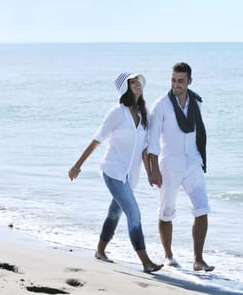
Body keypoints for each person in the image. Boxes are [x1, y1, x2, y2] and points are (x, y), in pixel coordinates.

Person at [68, 72, 163, 273]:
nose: (138, 84)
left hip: (130, 177)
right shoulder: (117, 113)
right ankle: (145, 261)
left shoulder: (143, 112)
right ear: (125, 88)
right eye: (133, 82)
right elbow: (97, 140)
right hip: (113, 172)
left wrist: (150, 173)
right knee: (133, 213)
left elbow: (144, 149)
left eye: (139, 82)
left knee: (114, 213)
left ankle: (100, 251)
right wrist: (77, 165)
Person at [148, 62, 214, 272]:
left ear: (189, 81)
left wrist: (200, 159)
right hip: (170, 165)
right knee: (166, 212)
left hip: (193, 163)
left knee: (202, 209)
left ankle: (198, 259)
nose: (176, 84)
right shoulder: (162, 105)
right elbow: (152, 140)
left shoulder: (196, 102)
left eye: (181, 81)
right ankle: (168, 256)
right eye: (173, 80)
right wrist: (153, 169)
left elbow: (198, 133)